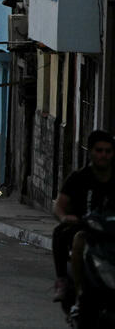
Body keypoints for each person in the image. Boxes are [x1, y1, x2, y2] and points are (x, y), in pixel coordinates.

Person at [51, 129, 115, 304]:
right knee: (69, 235)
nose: (104, 155)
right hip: (86, 227)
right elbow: (59, 205)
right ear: (91, 152)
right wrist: (65, 217)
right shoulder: (79, 178)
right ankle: (70, 285)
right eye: (99, 150)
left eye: (108, 151)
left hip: (110, 231)